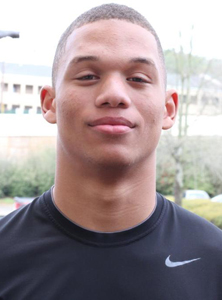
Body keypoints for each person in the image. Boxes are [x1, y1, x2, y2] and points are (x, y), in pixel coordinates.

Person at [0, 3, 222, 299]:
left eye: (138, 78)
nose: (114, 95)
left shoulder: (214, 260)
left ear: (169, 109)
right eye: (88, 76)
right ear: (49, 103)